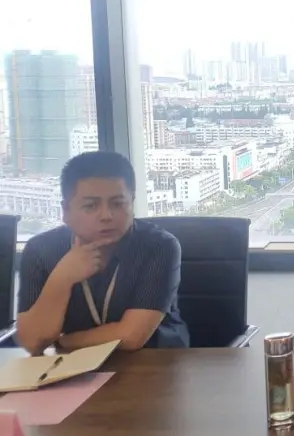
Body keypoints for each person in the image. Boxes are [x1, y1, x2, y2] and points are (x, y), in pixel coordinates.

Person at [16, 151, 190, 355]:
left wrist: (64, 342)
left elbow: (131, 337)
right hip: (75, 367)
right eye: (91, 206)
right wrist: (62, 277)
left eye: (118, 204)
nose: (106, 216)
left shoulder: (158, 246)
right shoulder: (40, 250)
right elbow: (32, 341)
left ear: (132, 202)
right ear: (66, 211)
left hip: (154, 362)